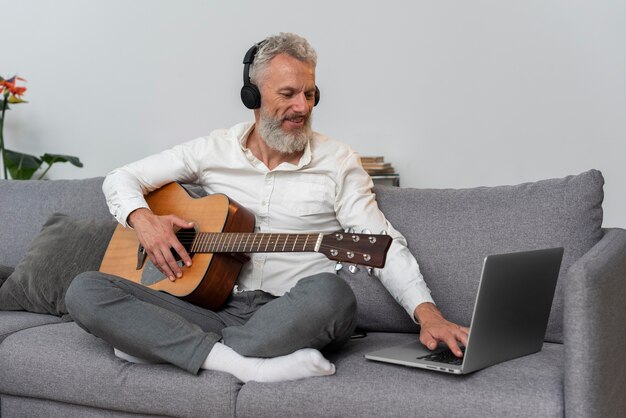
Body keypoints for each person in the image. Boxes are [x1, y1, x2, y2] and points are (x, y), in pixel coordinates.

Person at [65, 32, 468, 383]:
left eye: (309, 94)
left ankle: (160, 344)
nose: (303, 107)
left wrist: (428, 314)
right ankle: (245, 365)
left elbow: (380, 241)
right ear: (252, 97)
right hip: (212, 309)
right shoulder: (213, 150)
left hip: (289, 314)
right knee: (85, 290)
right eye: (288, 94)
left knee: (333, 294)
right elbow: (120, 178)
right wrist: (145, 221)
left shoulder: (339, 161)